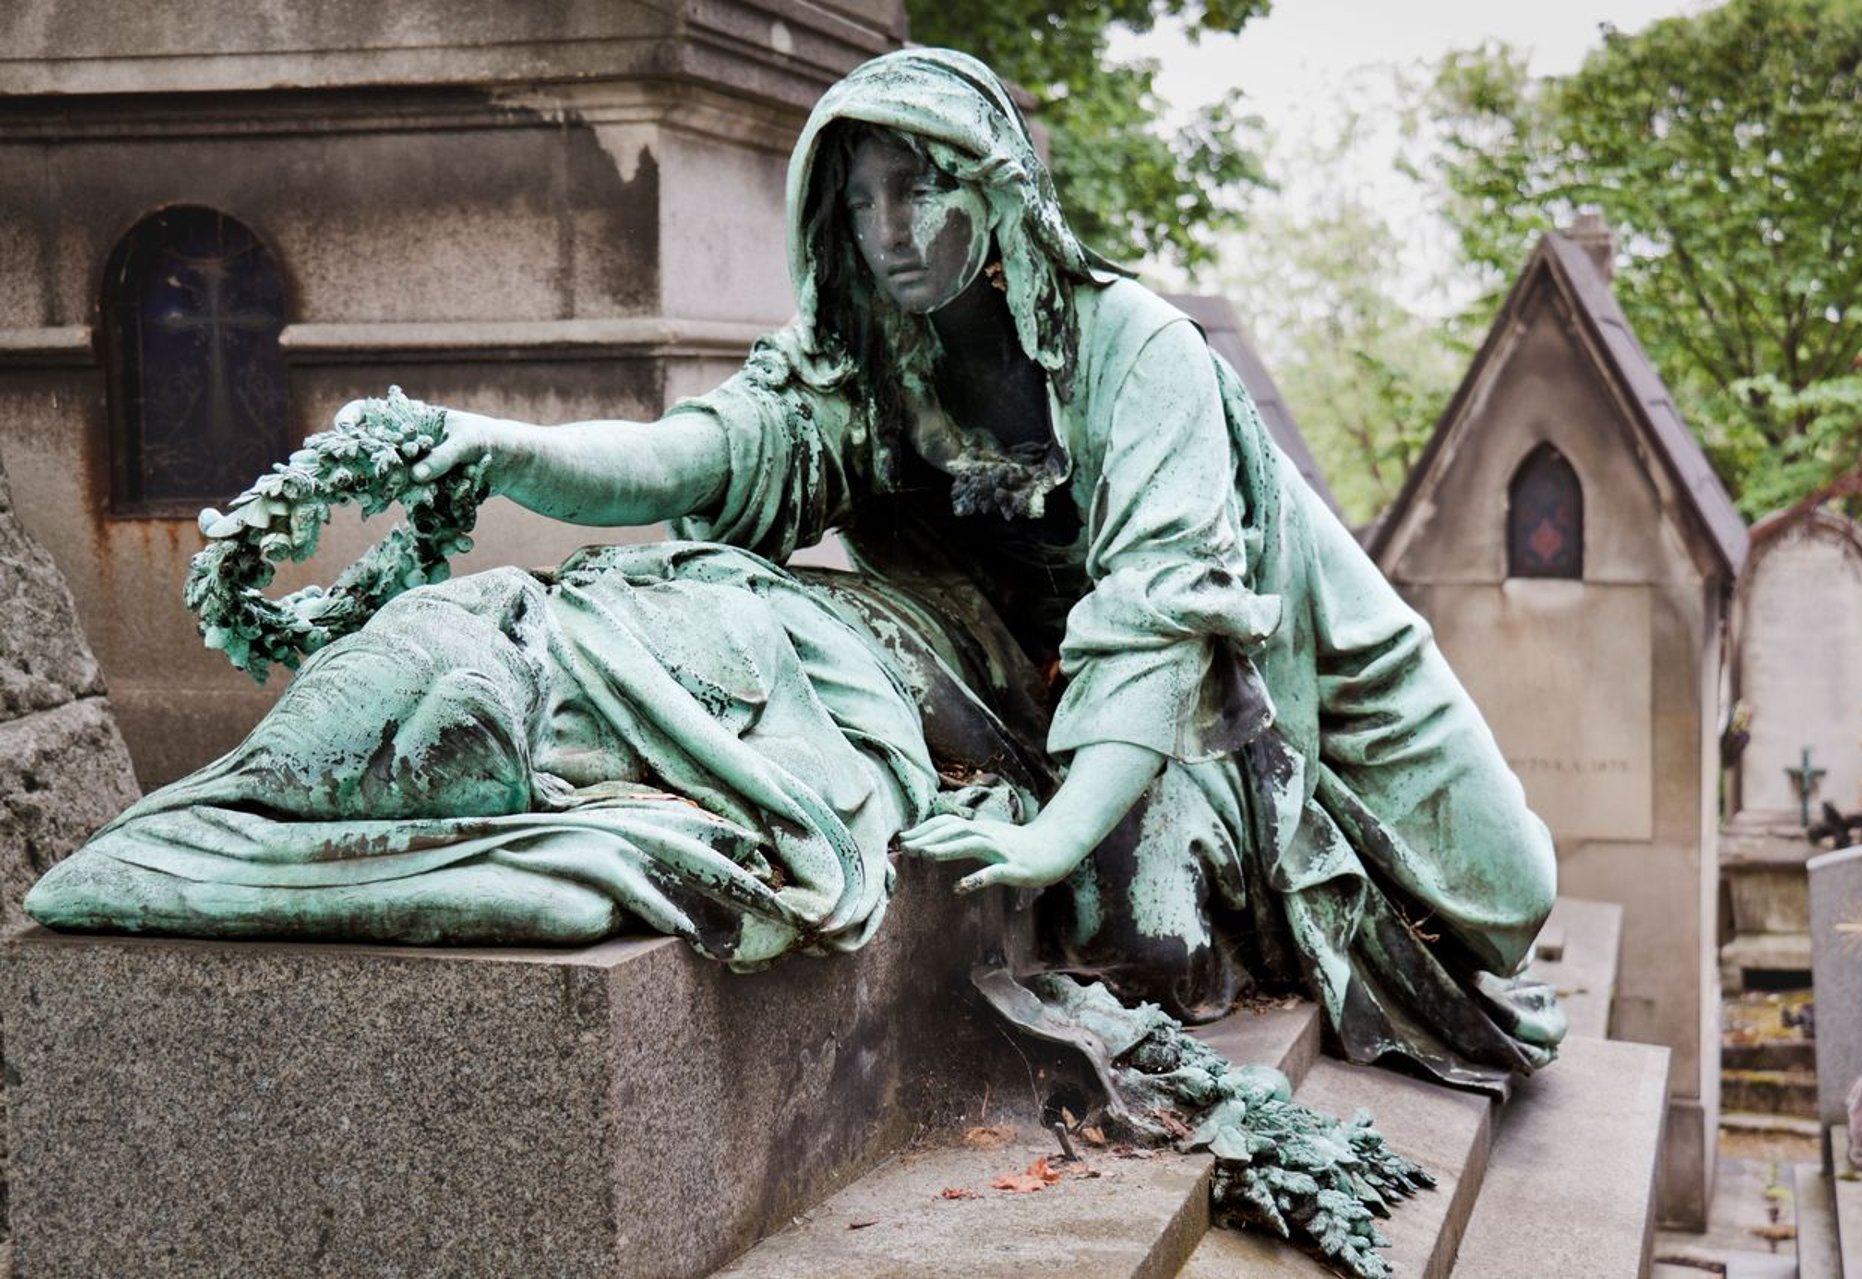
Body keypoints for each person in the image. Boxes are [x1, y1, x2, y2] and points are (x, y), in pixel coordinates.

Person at [27, 48, 1561, 1090]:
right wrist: (497, 449)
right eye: (862, 197)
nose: (888, 230)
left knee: (1502, 890)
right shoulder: (862, 362)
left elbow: (1159, 611)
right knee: (1131, 927)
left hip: (1258, 682)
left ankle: (1249, 847)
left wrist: (1060, 828)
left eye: (920, 189)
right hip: (1012, 674)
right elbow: (690, 460)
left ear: (996, 192)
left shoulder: (1131, 351)